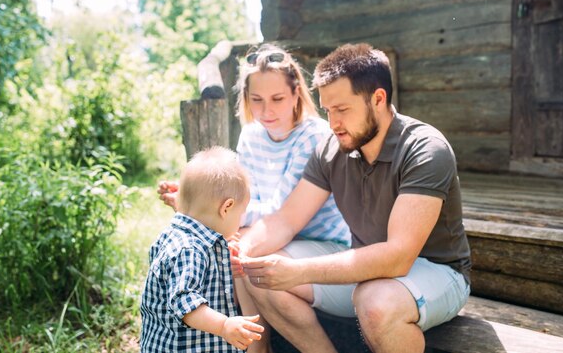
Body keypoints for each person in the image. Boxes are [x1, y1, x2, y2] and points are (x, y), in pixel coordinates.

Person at [238, 43, 471, 353]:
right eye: (328, 110)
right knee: (260, 271)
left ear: (378, 99)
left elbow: (398, 257)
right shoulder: (331, 148)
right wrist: (243, 251)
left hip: (437, 272)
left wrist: (299, 271)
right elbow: (285, 219)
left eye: (343, 109)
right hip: (365, 269)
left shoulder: (425, 149)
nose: (332, 123)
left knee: (375, 303)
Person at [158, 44, 351, 353]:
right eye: (256, 100)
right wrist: (202, 200)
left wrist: (197, 208)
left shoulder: (313, 136)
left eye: (277, 99)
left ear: (296, 94)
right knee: (238, 249)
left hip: (324, 243)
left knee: (248, 260)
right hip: (277, 236)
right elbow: (245, 202)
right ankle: (257, 348)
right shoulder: (251, 134)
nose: (266, 111)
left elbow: (279, 211)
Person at [140, 146, 264, 352]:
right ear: (226, 208)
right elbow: (184, 300)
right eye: (241, 213)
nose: (241, 221)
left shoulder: (178, 235)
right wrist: (224, 325)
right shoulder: (190, 249)